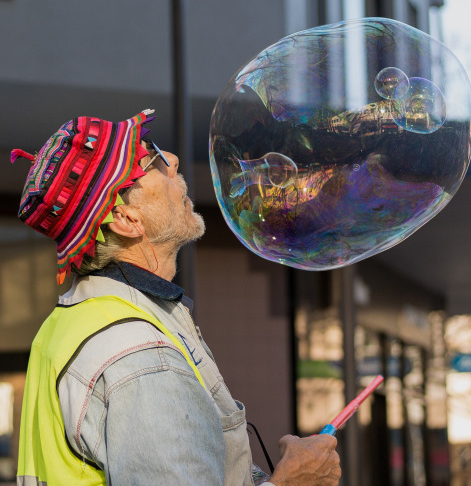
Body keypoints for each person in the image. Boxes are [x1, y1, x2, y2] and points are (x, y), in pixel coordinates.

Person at [12, 110, 341, 486]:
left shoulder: (68, 322)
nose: (173, 161)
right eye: (150, 159)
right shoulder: (140, 353)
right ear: (126, 219)